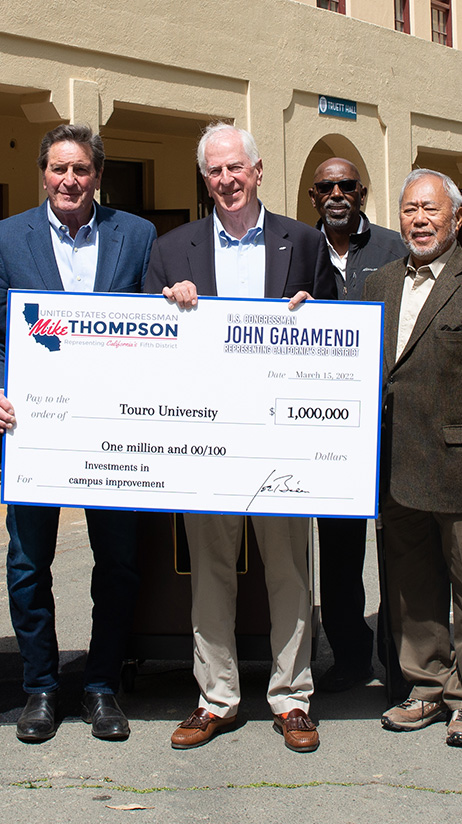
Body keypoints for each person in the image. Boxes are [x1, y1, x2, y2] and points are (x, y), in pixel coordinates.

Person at [145, 122, 336, 754]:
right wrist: (167, 307)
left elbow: (338, 333)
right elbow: (146, 343)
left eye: (236, 169)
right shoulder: (172, 250)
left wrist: (315, 316)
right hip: (205, 439)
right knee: (211, 572)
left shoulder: (303, 243)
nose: (227, 181)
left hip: (280, 440)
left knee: (288, 571)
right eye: (215, 172)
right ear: (205, 180)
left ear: (257, 172)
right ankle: (216, 698)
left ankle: (292, 697)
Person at [0, 124, 158, 743]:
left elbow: (157, 320)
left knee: (119, 564)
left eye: (81, 170)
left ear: (97, 177)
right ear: (43, 174)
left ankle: (103, 684)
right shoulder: (7, 236)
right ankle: (41, 687)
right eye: (58, 169)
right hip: (36, 431)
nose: (69, 181)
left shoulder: (135, 234)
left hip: (114, 431)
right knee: (28, 562)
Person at [366, 169, 462, 749]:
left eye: (431, 210)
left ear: (456, 218)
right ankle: (426, 687)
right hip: (397, 472)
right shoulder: (376, 285)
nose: (419, 220)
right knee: (412, 590)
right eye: (409, 209)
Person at [307, 156, 406, 694]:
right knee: (339, 554)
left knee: (398, 549)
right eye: (327, 187)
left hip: (393, 422)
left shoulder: (394, 248)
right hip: (330, 431)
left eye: (347, 185)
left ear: (363, 193)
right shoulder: (298, 249)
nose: (337, 193)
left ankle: (398, 658)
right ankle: (348, 656)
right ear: (314, 197)